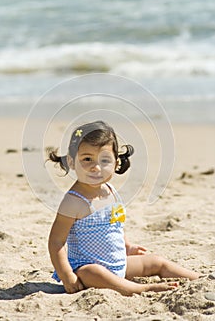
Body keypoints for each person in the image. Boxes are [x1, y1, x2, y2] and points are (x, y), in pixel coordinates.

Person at [48, 120, 199, 296]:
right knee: (93, 272)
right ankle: (141, 289)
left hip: (119, 263)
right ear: (71, 162)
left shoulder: (110, 191)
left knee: (157, 262)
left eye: (104, 160)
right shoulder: (73, 201)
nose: (96, 167)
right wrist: (67, 275)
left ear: (116, 163)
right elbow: (56, 242)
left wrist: (128, 246)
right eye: (87, 159)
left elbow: (115, 224)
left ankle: (200, 278)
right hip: (87, 270)